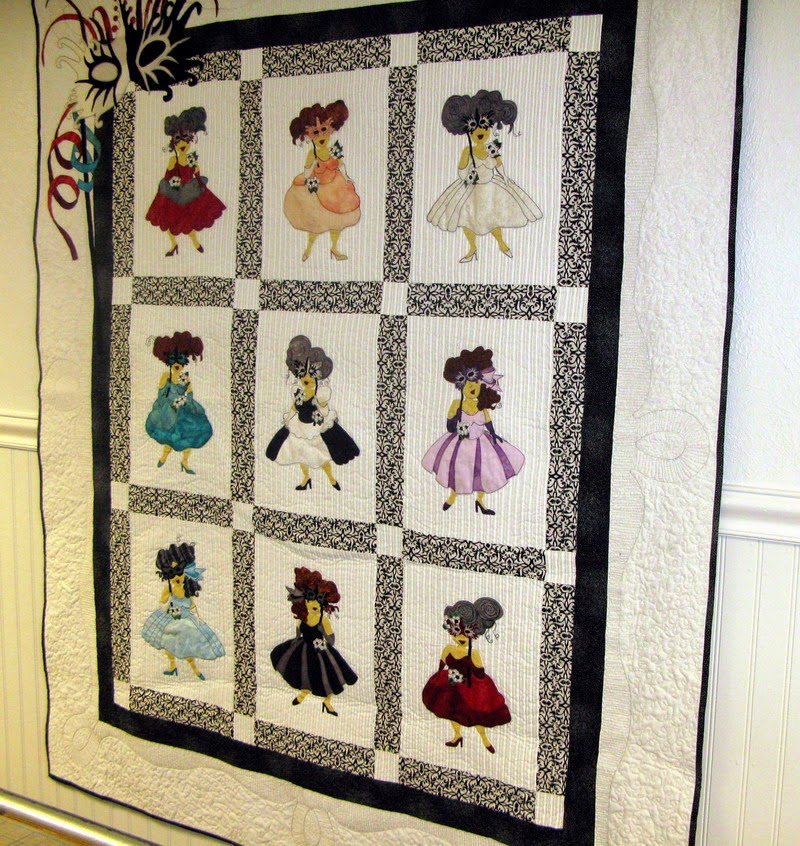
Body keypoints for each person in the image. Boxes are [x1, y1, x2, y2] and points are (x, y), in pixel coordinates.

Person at [427, 90, 542, 262]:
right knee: (467, 219)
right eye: (474, 128)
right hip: (472, 188)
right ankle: (472, 248)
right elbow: (461, 170)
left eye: (484, 126)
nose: (480, 131)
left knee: (493, 217)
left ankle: (501, 243)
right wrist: (467, 172)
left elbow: (499, 164)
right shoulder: (468, 150)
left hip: (490, 187)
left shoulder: (491, 148)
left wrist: (505, 178)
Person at [422, 346, 524, 514]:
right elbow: (449, 427)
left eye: (475, 382)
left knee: (483, 470)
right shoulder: (457, 404)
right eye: (466, 382)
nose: (472, 386)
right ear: (460, 385)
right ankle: (452, 496)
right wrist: (454, 418)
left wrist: (494, 434)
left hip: (480, 440)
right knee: (457, 467)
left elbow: (488, 422)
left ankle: (480, 501)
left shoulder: (481, 405)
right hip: (461, 441)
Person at [265, 335, 359, 490]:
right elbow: (294, 407)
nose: (305, 381)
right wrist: (288, 419)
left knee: (320, 456)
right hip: (299, 426)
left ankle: (331, 479)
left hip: (315, 427)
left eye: (309, 378)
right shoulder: (299, 394)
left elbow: (323, 409)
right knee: (301, 455)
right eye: (302, 377)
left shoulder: (318, 394)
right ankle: (306, 479)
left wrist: (322, 405)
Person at [422, 597, 510, 752]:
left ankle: (485, 739)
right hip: (451, 684)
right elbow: (441, 665)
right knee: (452, 712)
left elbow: (480, 673)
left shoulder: (474, 653)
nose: (461, 638)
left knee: (475, 715)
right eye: (456, 632)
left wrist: (472, 666)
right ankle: (457, 736)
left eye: (467, 633)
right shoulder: (449, 649)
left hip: (470, 686)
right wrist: (438, 681)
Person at [270, 567, 357, 715]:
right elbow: (298, 634)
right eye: (310, 600)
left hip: (319, 649)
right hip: (304, 647)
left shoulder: (323, 620)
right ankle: (304, 691)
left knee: (326, 674)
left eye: (318, 601)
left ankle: (327, 701)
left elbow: (331, 640)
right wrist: (296, 642)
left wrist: (324, 634)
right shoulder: (303, 618)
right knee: (303, 670)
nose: (313, 604)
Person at [283, 100, 361, 261]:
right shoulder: (313, 154)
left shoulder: (332, 151)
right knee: (316, 221)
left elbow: (340, 164)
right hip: (319, 186)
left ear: (331, 129)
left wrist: (346, 177)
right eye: (315, 132)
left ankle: (334, 248)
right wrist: (308, 177)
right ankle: (308, 248)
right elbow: (307, 171)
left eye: (324, 129)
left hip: (335, 186)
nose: (320, 135)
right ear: (309, 135)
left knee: (337, 219)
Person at [145, 106, 226, 256]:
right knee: (169, 221)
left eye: (186, 139)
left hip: (189, 192)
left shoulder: (191, 159)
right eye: (178, 140)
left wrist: (201, 186)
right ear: (173, 143)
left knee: (189, 221)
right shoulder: (172, 160)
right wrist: (172, 179)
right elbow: (168, 176)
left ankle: (195, 242)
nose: (182, 144)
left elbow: (197, 173)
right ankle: (174, 244)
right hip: (174, 193)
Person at [141, 542, 225, 679]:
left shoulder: (186, 590)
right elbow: (163, 604)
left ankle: (195, 670)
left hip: (185, 620)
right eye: (171, 574)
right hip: (170, 617)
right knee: (167, 642)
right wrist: (167, 597)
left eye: (179, 572)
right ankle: (173, 667)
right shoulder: (169, 589)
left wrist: (198, 618)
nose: (176, 577)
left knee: (186, 645)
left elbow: (192, 605)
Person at [145, 331, 212, 474]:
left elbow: (190, 393)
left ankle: (185, 462)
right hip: (168, 410)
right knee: (169, 434)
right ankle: (164, 457)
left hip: (183, 408)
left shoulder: (184, 377)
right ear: (168, 361)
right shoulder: (166, 376)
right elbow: (161, 393)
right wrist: (169, 403)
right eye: (173, 361)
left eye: (180, 360)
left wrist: (183, 400)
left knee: (189, 435)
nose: (177, 364)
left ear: (184, 362)